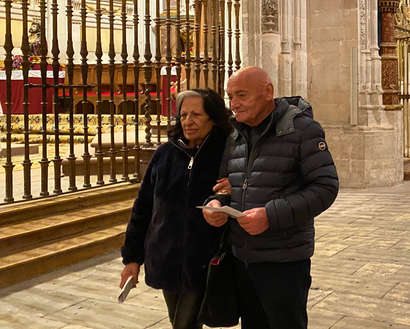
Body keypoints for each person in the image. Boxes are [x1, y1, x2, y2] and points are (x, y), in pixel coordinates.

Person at [202, 67, 339, 329]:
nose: (234, 104)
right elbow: (225, 185)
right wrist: (216, 204)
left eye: (242, 95)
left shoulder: (302, 130)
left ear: (268, 92)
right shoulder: (236, 134)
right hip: (242, 257)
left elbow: (325, 187)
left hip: (283, 260)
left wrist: (270, 215)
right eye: (230, 96)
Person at [120, 89, 233, 329]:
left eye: (196, 114)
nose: (188, 121)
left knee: (185, 325)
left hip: (204, 259)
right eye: (183, 115)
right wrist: (132, 258)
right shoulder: (165, 154)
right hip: (165, 257)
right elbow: (143, 208)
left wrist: (232, 191)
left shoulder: (227, 153)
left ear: (212, 117)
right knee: (179, 322)